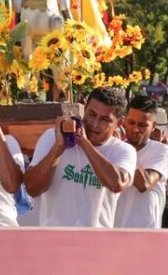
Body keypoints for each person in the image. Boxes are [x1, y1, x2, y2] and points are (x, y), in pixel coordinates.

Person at [25, 87, 137, 227]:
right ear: (84, 110)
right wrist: (58, 148)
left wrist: (85, 143)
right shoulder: (52, 137)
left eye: (104, 119)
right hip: (54, 241)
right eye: (91, 114)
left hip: (97, 243)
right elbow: (32, 189)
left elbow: (117, 184)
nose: (94, 124)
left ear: (119, 123)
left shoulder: (123, 151)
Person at [115, 96, 168, 228]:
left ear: (153, 126)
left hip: (145, 233)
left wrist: (122, 151)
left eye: (142, 125)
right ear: (124, 122)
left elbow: (144, 183)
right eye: (131, 122)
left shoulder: (162, 151)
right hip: (113, 230)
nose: (135, 129)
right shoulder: (115, 149)